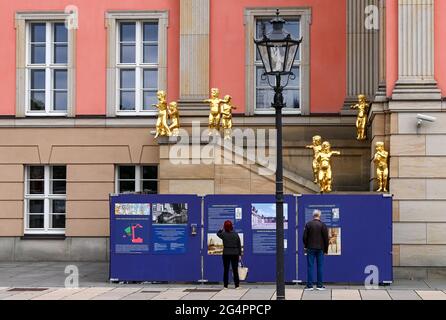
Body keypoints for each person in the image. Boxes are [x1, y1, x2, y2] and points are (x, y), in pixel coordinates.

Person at [303, 210, 329, 291]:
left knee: (310, 266)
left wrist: (306, 246)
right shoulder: (323, 225)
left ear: (313, 215)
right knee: (320, 266)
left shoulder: (308, 224)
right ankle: (320, 285)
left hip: (310, 248)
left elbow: (304, 237)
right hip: (320, 248)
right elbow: (326, 239)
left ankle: (310, 286)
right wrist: (326, 250)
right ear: (319, 216)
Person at [217, 220, 242, 289]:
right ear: (232, 226)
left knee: (226, 270)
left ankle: (225, 286)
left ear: (225, 227)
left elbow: (218, 233)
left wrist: (221, 229)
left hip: (226, 253)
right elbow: (239, 245)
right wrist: (239, 255)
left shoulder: (223, 234)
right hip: (235, 253)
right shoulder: (236, 234)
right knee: (235, 270)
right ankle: (237, 286)